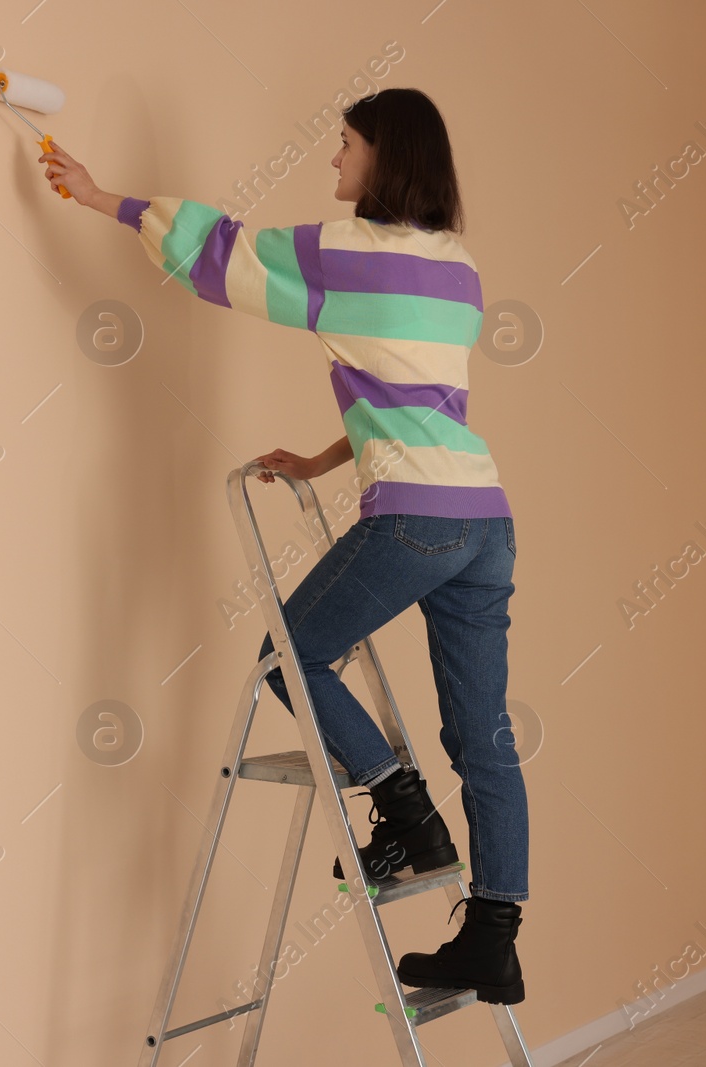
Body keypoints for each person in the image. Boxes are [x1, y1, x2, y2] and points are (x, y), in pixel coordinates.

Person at [40, 88, 527, 1006]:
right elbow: (425, 402)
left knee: (288, 657)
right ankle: (493, 939)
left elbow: (222, 255)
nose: (333, 162)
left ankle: (408, 813)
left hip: (417, 517)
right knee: (485, 739)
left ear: (386, 157)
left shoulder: (346, 254)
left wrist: (105, 200)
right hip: (485, 520)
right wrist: (323, 456)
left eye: (344, 147)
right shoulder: (459, 268)